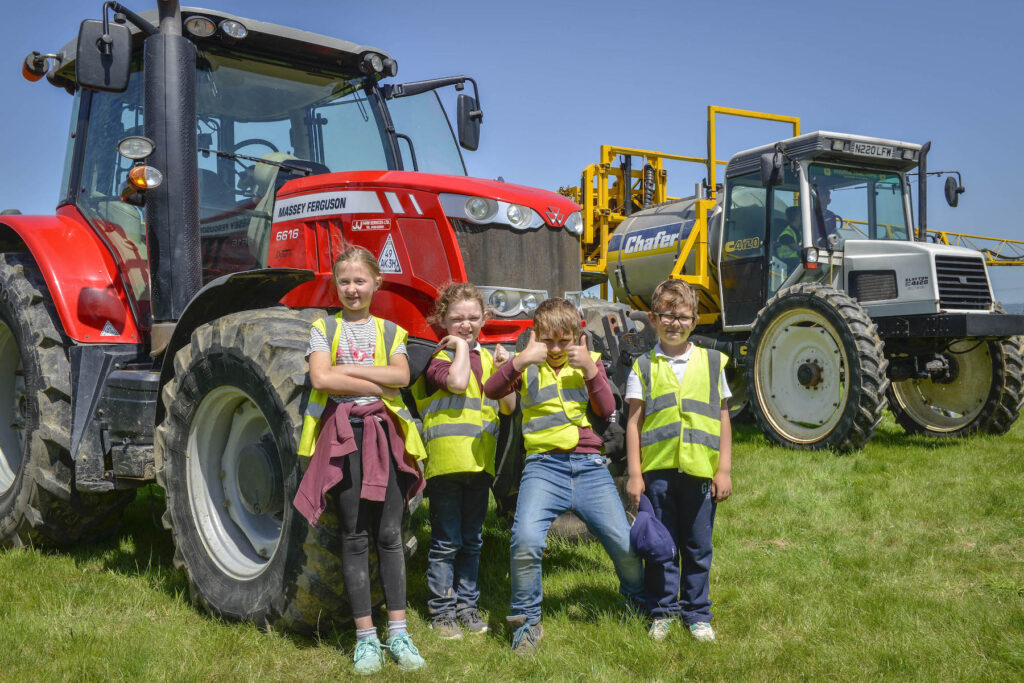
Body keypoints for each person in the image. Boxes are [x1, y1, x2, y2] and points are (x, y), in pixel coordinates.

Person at [292, 245, 427, 675]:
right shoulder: (322, 328)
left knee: (389, 533)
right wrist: (374, 376)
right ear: (336, 284)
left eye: (360, 281)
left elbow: (402, 377)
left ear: (376, 283)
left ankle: (399, 633)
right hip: (344, 436)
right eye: (345, 281)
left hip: (384, 434)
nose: (352, 289)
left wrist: (346, 375)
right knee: (353, 535)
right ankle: (365, 639)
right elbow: (320, 377)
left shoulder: (391, 331)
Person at [483, 298, 644, 655]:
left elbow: (606, 408)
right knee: (524, 540)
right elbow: (491, 390)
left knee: (623, 543)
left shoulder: (589, 363)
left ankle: (636, 601)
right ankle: (526, 623)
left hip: (589, 466)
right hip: (542, 468)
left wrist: (589, 367)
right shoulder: (526, 365)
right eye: (548, 341)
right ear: (536, 337)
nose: (555, 349)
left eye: (564, 341)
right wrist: (520, 359)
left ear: (577, 337)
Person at [624, 279, 733, 643]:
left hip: (701, 473)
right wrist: (635, 475)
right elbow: (634, 423)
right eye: (667, 316)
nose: (675, 323)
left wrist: (724, 470)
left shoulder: (712, 362)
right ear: (653, 319)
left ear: (695, 320)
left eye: (683, 316)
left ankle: (697, 613)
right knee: (661, 547)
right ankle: (663, 612)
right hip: (658, 475)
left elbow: (723, 418)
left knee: (698, 547)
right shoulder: (643, 365)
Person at [413, 282, 515, 640]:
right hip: (445, 466)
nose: (466, 325)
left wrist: (506, 372)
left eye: (473, 318)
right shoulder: (438, 359)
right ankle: (442, 613)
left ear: (485, 318)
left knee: (472, 540)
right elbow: (457, 383)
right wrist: (458, 347)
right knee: (446, 542)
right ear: (442, 320)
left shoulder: (488, 360)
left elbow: (508, 407)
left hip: (479, 465)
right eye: (457, 319)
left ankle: (467, 608)